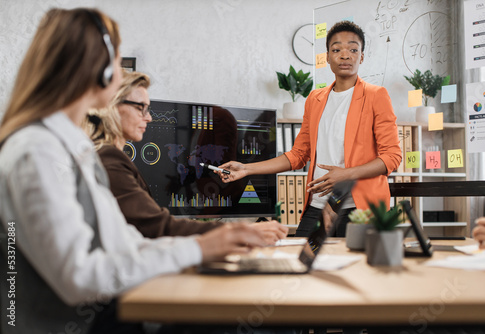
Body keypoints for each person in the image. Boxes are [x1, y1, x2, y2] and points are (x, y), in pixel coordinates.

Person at [0, 8, 271, 334]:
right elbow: (79, 278)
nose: (118, 69)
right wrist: (200, 248)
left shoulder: (71, 147)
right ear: (98, 69)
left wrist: (212, 245)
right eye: (115, 61)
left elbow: (127, 243)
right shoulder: (38, 151)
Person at [217, 20, 402, 237]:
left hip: (358, 209)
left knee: (353, 269)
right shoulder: (315, 99)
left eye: (353, 49)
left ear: (361, 57)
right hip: (318, 205)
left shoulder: (375, 95)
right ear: (327, 57)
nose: (345, 55)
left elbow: (392, 156)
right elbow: (298, 155)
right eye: (337, 49)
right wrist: (247, 169)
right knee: (302, 265)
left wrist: (345, 175)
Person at [83, 70, 287, 243]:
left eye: (148, 109)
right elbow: (156, 225)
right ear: (110, 106)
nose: (149, 117)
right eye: (140, 108)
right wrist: (237, 232)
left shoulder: (107, 156)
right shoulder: (108, 158)